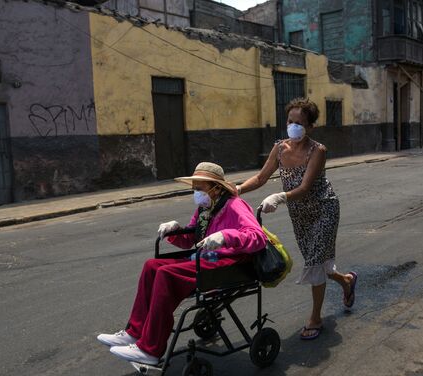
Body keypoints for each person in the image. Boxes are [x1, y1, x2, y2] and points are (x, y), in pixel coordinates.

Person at [97, 162, 267, 365]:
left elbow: (258, 237)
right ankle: (134, 332)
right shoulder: (205, 208)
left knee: (166, 274)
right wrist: (175, 229)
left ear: (216, 187)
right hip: (206, 258)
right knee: (152, 265)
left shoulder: (234, 205)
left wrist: (226, 236)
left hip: (231, 263)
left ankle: (150, 350)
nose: (196, 193)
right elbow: (190, 239)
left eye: (199, 189)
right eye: (194, 189)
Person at [237, 98, 357, 341]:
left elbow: (304, 188)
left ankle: (315, 318)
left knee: (314, 262)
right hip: (300, 215)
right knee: (319, 263)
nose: (293, 127)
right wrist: (237, 189)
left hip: (324, 209)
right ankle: (346, 281)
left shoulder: (318, 151)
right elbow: (261, 178)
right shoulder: (280, 148)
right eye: (290, 122)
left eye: (300, 123)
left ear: (310, 127)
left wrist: (280, 197)